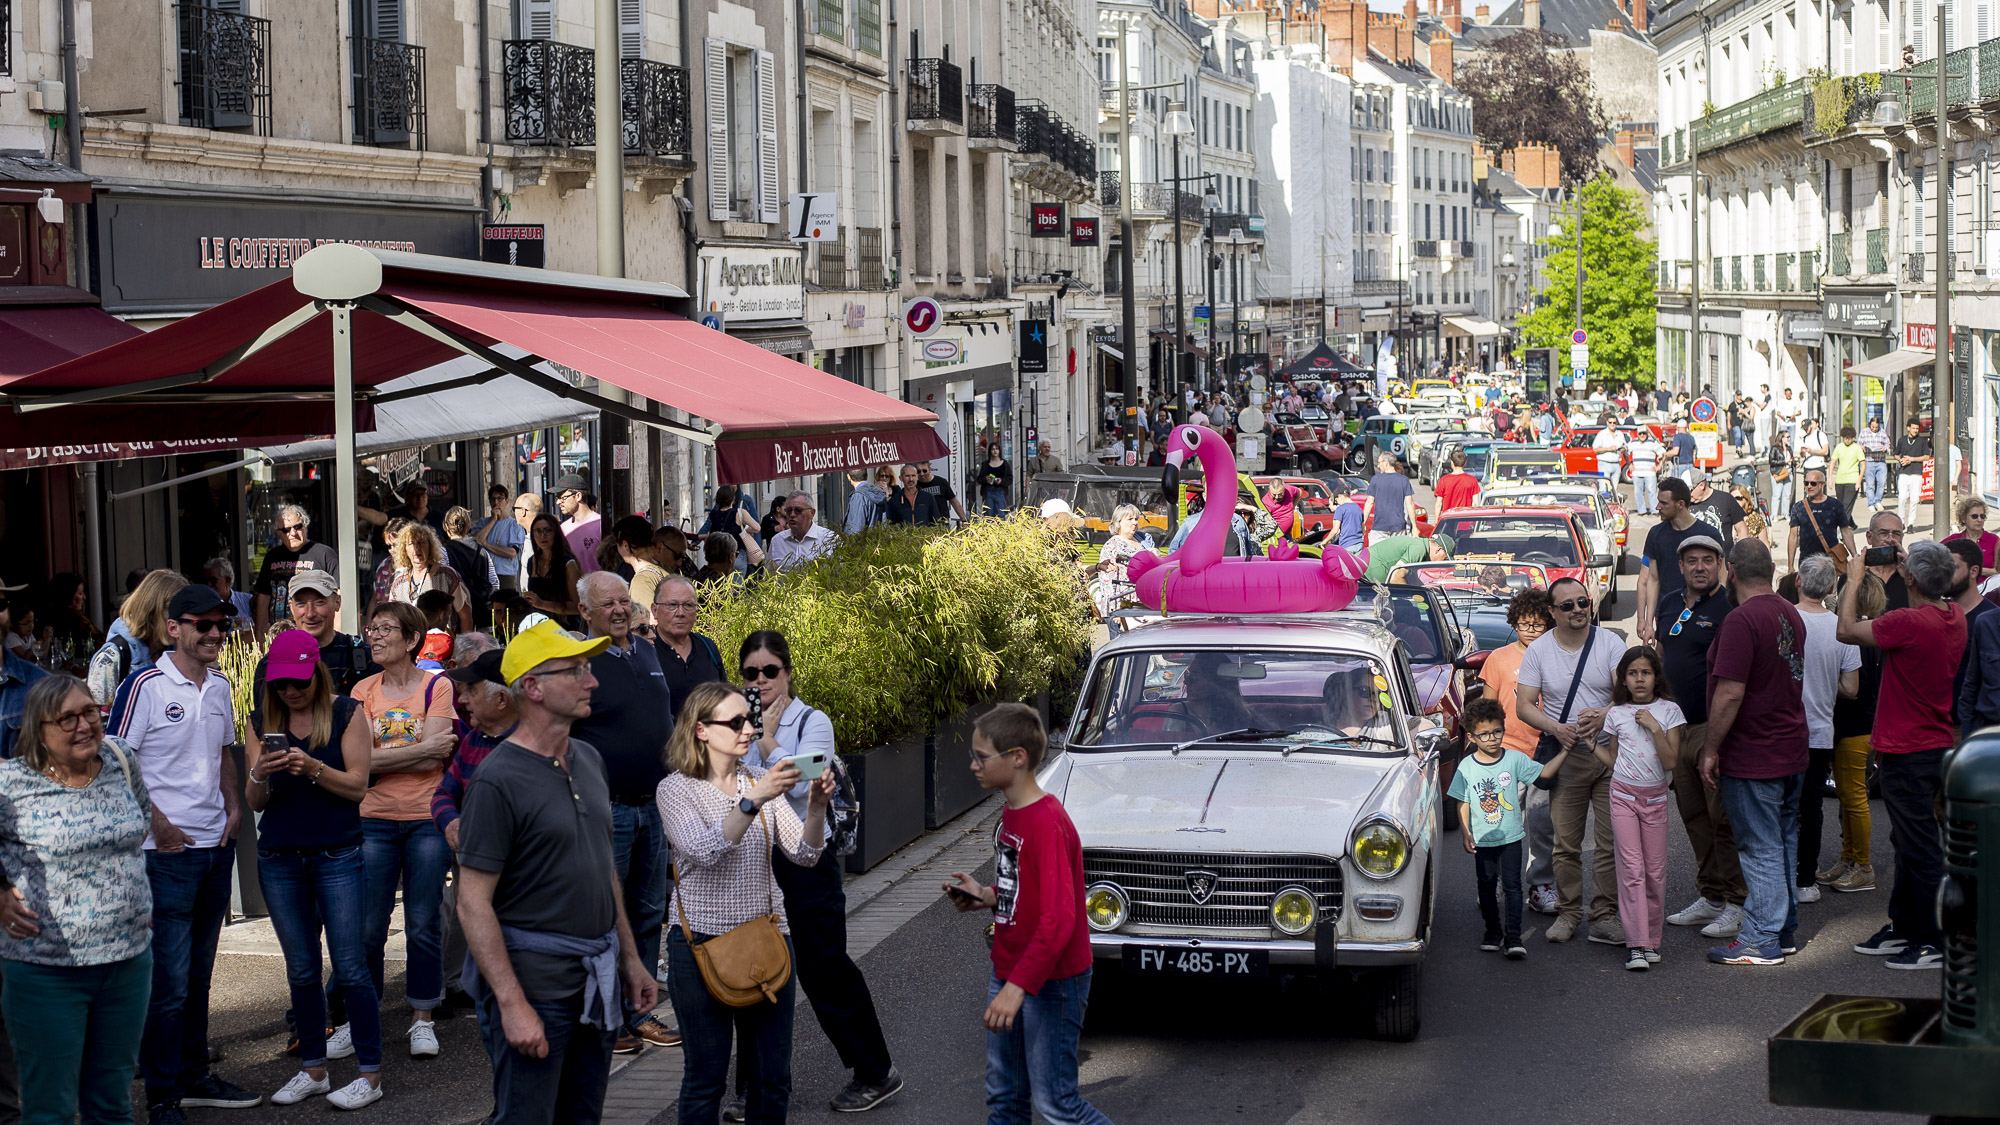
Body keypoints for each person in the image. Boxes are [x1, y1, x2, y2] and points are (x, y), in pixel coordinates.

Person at [456, 623, 656, 1125]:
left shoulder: (588, 758)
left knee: (582, 1118)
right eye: (576, 671)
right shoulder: (497, 780)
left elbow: (602, 867)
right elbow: (472, 902)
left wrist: (630, 960)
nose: (591, 682)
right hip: (535, 989)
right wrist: (512, 1003)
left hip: (597, 982)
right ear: (533, 687)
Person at [108, 584, 261, 1122]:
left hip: (214, 848)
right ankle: (163, 1097)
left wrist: (234, 806)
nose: (215, 634)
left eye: (221, 625)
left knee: (198, 977)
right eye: (203, 624)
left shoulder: (219, 685)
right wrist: (160, 826)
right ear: (174, 627)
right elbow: (114, 764)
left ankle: (195, 1076)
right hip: (163, 854)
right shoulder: (143, 685)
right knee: (168, 985)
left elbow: (222, 750)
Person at [735, 631, 900, 1113]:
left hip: (807, 859)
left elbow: (806, 774)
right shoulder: (733, 721)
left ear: (787, 673)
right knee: (756, 972)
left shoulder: (813, 720)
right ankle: (758, 1090)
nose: (760, 680)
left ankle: (875, 1071)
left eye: (770, 671)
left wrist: (764, 741)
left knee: (823, 968)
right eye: (751, 673)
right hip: (755, 860)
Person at [659, 682, 833, 1124]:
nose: (750, 730)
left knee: (772, 1078)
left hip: (766, 939)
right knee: (706, 1080)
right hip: (700, 944)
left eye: (750, 720)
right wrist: (755, 799)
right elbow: (705, 850)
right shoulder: (676, 790)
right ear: (701, 730)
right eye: (736, 722)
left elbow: (805, 855)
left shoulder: (758, 781)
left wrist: (815, 808)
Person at [944, 704, 1111, 1125]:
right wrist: (986, 894)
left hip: (1051, 983)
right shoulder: (1013, 814)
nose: (974, 765)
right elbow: (1028, 894)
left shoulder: (1046, 823)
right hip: (1013, 970)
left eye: (983, 757)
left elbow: (1058, 921)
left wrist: (1015, 989)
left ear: (1017, 757)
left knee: (1057, 1104)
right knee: (1004, 1097)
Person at [0, 675, 152, 1125]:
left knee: (113, 1105)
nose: (84, 725)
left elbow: (140, 819)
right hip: (45, 972)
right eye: (66, 718)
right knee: (51, 1111)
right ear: (36, 727)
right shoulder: (10, 783)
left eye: (89, 712)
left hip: (127, 963)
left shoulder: (121, 758)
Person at [247, 632, 384, 1109]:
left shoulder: (346, 712)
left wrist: (311, 768)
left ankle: (370, 1074)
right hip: (280, 858)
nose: (291, 691)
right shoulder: (262, 720)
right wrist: (260, 773)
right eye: (281, 683)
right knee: (302, 970)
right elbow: (255, 802)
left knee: (350, 967)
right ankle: (314, 1069)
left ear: (316, 675)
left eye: (299, 681)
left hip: (337, 855)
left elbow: (358, 787)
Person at [1840, 540, 1966, 970]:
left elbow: (1845, 630)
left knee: (1921, 848)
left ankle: (1934, 939)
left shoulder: (1908, 622)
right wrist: (1915, 565)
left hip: (1906, 751)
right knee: (1908, 842)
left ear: (1910, 578)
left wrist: (1855, 579)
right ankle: (1906, 925)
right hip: (1933, 745)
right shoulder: (1956, 616)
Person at [570, 573, 680, 1054]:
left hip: (655, 807)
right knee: (602, 915)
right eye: (607, 604)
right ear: (584, 613)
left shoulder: (648, 650)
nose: (619, 610)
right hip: (606, 810)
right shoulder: (578, 663)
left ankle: (638, 1012)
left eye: (623, 601)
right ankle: (605, 1019)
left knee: (649, 909)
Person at [347, 601, 457, 1059]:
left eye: (385, 629)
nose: (373, 636)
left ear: (412, 639)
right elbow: (353, 763)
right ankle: (363, 1017)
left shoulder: (438, 686)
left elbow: (437, 757)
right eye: (371, 629)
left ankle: (422, 1017)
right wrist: (414, 751)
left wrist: (375, 761)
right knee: (369, 926)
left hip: (425, 820)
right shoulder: (361, 691)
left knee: (422, 922)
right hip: (372, 819)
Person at [1697, 539, 1807, 966]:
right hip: (1789, 744)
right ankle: (1782, 931)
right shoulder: (1788, 611)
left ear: (1732, 571)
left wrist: (1710, 748)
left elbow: (1730, 692)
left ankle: (1761, 937)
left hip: (1755, 751)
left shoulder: (1742, 619)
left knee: (1760, 846)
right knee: (1781, 841)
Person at [1513, 576, 1625, 946]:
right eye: (1567, 605)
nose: (1577, 610)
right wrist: (1557, 728)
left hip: (1611, 754)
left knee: (1610, 844)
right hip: (1568, 756)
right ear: (1552, 612)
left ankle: (1604, 916)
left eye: (1583, 602)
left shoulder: (1609, 642)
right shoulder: (1540, 650)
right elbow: (1524, 705)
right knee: (1566, 845)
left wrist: (1606, 713)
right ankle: (1569, 912)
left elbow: (1627, 694)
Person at [1658, 535, 1749, 936]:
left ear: (1721, 566)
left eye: (1707, 560)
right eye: (1691, 560)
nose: (1699, 567)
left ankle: (1737, 901)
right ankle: (1711, 895)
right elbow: (1662, 657)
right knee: (1693, 817)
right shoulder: (1668, 603)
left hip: (1714, 729)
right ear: (1680, 566)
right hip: (1677, 730)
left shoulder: (1731, 607)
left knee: (1722, 818)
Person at [1450, 697, 1573, 959]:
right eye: (1484, 734)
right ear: (1471, 737)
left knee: (1513, 887)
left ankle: (1514, 937)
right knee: (1486, 887)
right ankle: (1493, 932)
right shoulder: (1466, 767)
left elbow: (1545, 773)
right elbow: (1461, 801)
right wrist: (1465, 832)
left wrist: (1564, 752)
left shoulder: (1514, 759)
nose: (1493, 738)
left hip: (1511, 839)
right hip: (1482, 840)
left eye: (1497, 731)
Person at [1593, 647, 1684, 971]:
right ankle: (1636, 945)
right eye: (1632, 673)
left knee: (1655, 873)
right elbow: (1615, 761)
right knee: (1631, 870)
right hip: (1623, 798)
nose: (1639, 679)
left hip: (1656, 799)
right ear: (1624, 679)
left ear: (1656, 676)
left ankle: (1651, 940)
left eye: (1646, 672)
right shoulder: (1616, 714)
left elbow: (1671, 761)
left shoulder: (1669, 711)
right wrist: (1592, 744)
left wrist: (1654, 728)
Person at [1476, 589, 1559, 912]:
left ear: (1548, 624)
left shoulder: (1556, 656)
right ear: (1514, 622)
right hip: (1506, 751)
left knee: (1541, 826)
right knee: (1500, 823)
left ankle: (1540, 886)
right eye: (1524, 624)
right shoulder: (1499, 658)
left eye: (1537, 625)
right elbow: (1487, 707)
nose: (1530, 630)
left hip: (1544, 753)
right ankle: (1494, 881)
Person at [1789, 556, 1861, 907]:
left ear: (1798, 583)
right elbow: (1851, 689)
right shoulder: (1841, 629)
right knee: (1811, 804)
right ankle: (1806, 879)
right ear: (1833, 588)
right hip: (1819, 731)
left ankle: (1779, 874)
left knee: (1778, 804)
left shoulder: (1782, 620)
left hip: (1781, 731)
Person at [253, 570, 380, 697]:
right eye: (301, 604)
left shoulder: (364, 657)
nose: (310, 614)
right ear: (291, 607)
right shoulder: (271, 665)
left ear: (337, 603)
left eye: (319, 602)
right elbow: (266, 715)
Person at [88, 571, 186, 707]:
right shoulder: (110, 659)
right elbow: (98, 722)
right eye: (176, 612)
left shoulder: (178, 650)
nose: (183, 622)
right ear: (153, 610)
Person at [252, 505, 341, 634]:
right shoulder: (272, 557)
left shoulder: (325, 554)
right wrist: (260, 636)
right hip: (278, 635)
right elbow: (263, 597)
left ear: (305, 525)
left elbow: (337, 596)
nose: (293, 533)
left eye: (297, 527)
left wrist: (335, 636)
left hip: (314, 634)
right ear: (278, 534)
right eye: (286, 530)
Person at [1636, 478, 1703, 644]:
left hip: (1701, 616)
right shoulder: (1656, 534)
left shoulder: (1707, 534)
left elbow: (1720, 578)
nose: (1657, 507)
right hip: (1666, 616)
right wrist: (1647, 621)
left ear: (1680, 504)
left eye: (1663, 503)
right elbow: (1652, 579)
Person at [650, 578, 724, 715]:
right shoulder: (647, 652)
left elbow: (725, 698)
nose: (680, 613)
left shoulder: (708, 647)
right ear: (655, 610)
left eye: (688, 605)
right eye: (672, 605)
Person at [384, 522, 473, 634]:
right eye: (411, 543)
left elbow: (466, 616)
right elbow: (392, 620)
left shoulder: (447, 576)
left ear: (430, 547)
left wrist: (462, 648)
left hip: (443, 647)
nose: (417, 548)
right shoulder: (399, 583)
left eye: (421, 542)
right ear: (405, 550)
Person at [1788, 469, 1855, 573]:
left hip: (1829, 561)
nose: (1809, 486)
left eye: (1813, 483)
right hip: (1806, 562)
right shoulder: (1798, 507)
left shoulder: (1835, 505)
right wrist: (1790, 565)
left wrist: (1854, 555)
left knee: (1831, 589)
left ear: (1822, 485)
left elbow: (1845, 531)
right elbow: (1793, 536)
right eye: (1806, 483)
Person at [522, 513, 582, 623]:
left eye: (547, 530)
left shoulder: (568, 563)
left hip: (565, 627)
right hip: (539, 626)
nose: (542, 535)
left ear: (556, 533)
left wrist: (542, 604)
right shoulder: (532, 561)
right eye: (537, 531)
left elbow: (576, 607)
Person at [474, 486, 528, 592]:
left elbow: (512, 553)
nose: (496, 502)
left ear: (507, 501)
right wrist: (493, 520)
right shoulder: (483, 523)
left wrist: (487, 545)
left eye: (500, 498)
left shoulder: (514, 525)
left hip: (504, 575)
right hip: (484, 574)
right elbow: (476, 541)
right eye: (493, 499)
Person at [769, 492, 837, 571]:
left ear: (812, 513)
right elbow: (768, 577)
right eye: (788, 511)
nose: (792, 515)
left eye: (798, 510)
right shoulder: (777, 541)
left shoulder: (829, 539)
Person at [555, 475, 605, 576]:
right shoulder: (563, 528)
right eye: (557, 497)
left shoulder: (600, 525)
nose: (558, 502)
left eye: (562, 497)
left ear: (578, 496)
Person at [1363, 533, 1453, 585]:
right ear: (1439, 549)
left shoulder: (1419, 546)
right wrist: (1412, 599)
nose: (1442, 562)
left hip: (1364, 576)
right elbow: (1396, 577)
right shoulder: (1419, 549)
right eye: (1445, 558)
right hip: (1362, 577)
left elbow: (1411, 579)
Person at [1366, 452, 1416, 545]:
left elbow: (1369, 503)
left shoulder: (1376, 479)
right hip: (1398, 526)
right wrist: (1415, 527)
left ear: (1386, 463)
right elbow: (1410, 504)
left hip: (1379, 526)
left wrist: (1363, 523)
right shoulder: (1403, 480)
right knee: (1397, 555)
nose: (1378, 465)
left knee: (1376, 556)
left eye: (1379, 462)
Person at [1943, 496, 1998, 571]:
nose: (1979, 520)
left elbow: (1998, 571)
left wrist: (1977, 571)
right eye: (1974, 516)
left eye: (1982, 516)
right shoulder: (1954, 540)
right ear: (1963, 518)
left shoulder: (1994, 540)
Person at [1894, 420, 1931, 529]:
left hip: (1917, 473)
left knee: (1914, 499)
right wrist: (1902, 460)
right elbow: (1896, 454)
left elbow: (1926, 456)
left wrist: (1912, 459)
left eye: (1917, 428)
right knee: (1902, 498)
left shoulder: (1922, 441)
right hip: (1904, 472)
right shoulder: (1902, 440)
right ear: (1908, 428)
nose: (1915, 430)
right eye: (1913, 428)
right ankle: (1901, 521)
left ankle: (1911, 523)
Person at [201, 560, 253, 632]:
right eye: (206, 581)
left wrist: (244, 623)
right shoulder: (202, 604)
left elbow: (263, 625)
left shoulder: (248, 601)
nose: (209, 584)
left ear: (227, 580)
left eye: (213, 580)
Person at [1627, 427, 1663, 516]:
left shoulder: (1652, 443)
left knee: (1652, 491)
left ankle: (1655, 511)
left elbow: (1663, 453)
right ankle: (1641, 511)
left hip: (1650, 472)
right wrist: (1629, 464)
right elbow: (1625, 452)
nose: (1642, 435)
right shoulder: (1633, 443)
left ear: (1647, 433)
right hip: (1637, 472)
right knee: (1638, 492)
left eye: (1644, 433)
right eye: (1640, 434)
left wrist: (1659, 466)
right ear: (1637, 434)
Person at [1830, 426, 1865, 516]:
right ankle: (1851, 524)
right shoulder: (1839, 447)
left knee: (1846, 506)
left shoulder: (1857, 448)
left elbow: (1863, 465)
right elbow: (1832, 463)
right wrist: (1830, 479)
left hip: (1852, 480)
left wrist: (1859, 481)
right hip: (1840, 480)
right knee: (1841, 506)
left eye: (1849, 439)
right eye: (1845, 438)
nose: (1847, 440)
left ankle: (1844, 527)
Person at [843, 467, 888, 535]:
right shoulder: (879, 493)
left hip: (864, 543)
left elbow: (856, 529)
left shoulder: (858, 496)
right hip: (878, 542)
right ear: (867, 476)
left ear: (848, 477)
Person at [1858, 418, 1891, 511]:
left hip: (1880, 460)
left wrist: (1885, 448)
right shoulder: (1864, 432)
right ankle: (1871, 503)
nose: (1874, 429)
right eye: (1872, 427)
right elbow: (1858, 445)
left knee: (1881, 482)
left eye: (1876, 427)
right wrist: (1862, 447)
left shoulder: (1882, 432)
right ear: (1869, 425)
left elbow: (1888, 445)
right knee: (1870, 484)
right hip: (1869, 460)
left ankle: (1878, 501)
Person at [1327, 482, 1367, 552]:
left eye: (1336, 501)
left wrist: (1324, 541)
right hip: (1359, 544)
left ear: (1340, 496)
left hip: (1346, 545)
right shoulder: (1358, 508)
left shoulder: (1340, 509)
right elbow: (1363, 528)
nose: (1337, 504)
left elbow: (1335, 530)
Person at [977, 444, 1012, 517]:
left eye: (997, 449)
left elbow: (1010, 479)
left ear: (999, 451)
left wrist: (1001, 481)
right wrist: (986, 478)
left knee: (1000, 514)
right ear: (990, 451)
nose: (995, 451)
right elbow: (979, 479)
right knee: (988, 514)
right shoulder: (985, 464)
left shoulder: (1005, 464)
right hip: (988, 491)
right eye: (993, 449)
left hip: (1000, 491)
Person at [1769, 432, 1795, 524]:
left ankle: (1786, 513)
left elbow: (1791, 459)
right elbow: (1772, 461)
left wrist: (1795, 463)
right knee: (1777, 495)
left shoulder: (1789, 448)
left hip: (1788, 473)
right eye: (1787, 437)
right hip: (1778, 472)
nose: (1788, 439)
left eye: (1789, 437)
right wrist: (1784, 461)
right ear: (1781, 438)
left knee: (1787, 495)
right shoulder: (1775, 448)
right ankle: (1774, 515)